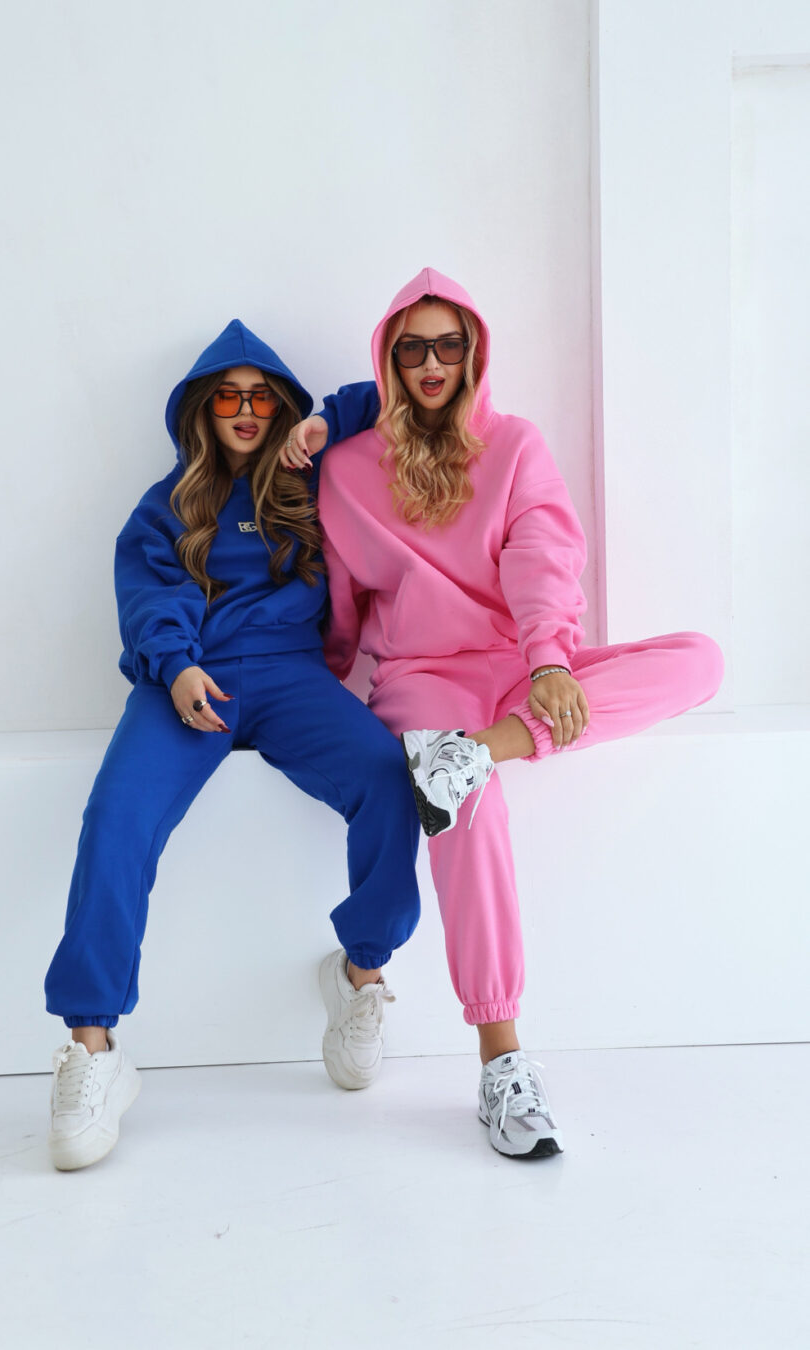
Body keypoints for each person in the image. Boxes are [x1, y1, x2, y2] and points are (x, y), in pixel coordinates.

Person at [281, 267, 724, 1160]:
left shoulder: (515, 445)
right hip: (423, 678)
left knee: (701, 658)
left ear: (474, 352)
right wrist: (308, 699)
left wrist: (549, 660)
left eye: (450, 345)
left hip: (520, 669)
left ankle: (482, 749)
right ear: (389, 358)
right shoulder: (348, 472)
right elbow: (340, 607)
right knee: (467, 809)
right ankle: (501, 1060)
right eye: (414, 348)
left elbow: (541, 556)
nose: (432, 363)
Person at [43, 319, 421, 1171]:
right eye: (228, 397)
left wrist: (323, 419)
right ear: (201, 411)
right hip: (187, 683)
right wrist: (175, 665)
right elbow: (148, 592)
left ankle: (360, 976)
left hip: (291, 677)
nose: (246, 411)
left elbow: (394, 397)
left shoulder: (310, 477)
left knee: (386, 777)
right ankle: (93, 1046)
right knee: (116, 818)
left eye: (261, 397)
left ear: (279, 406)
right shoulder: (169, 502)